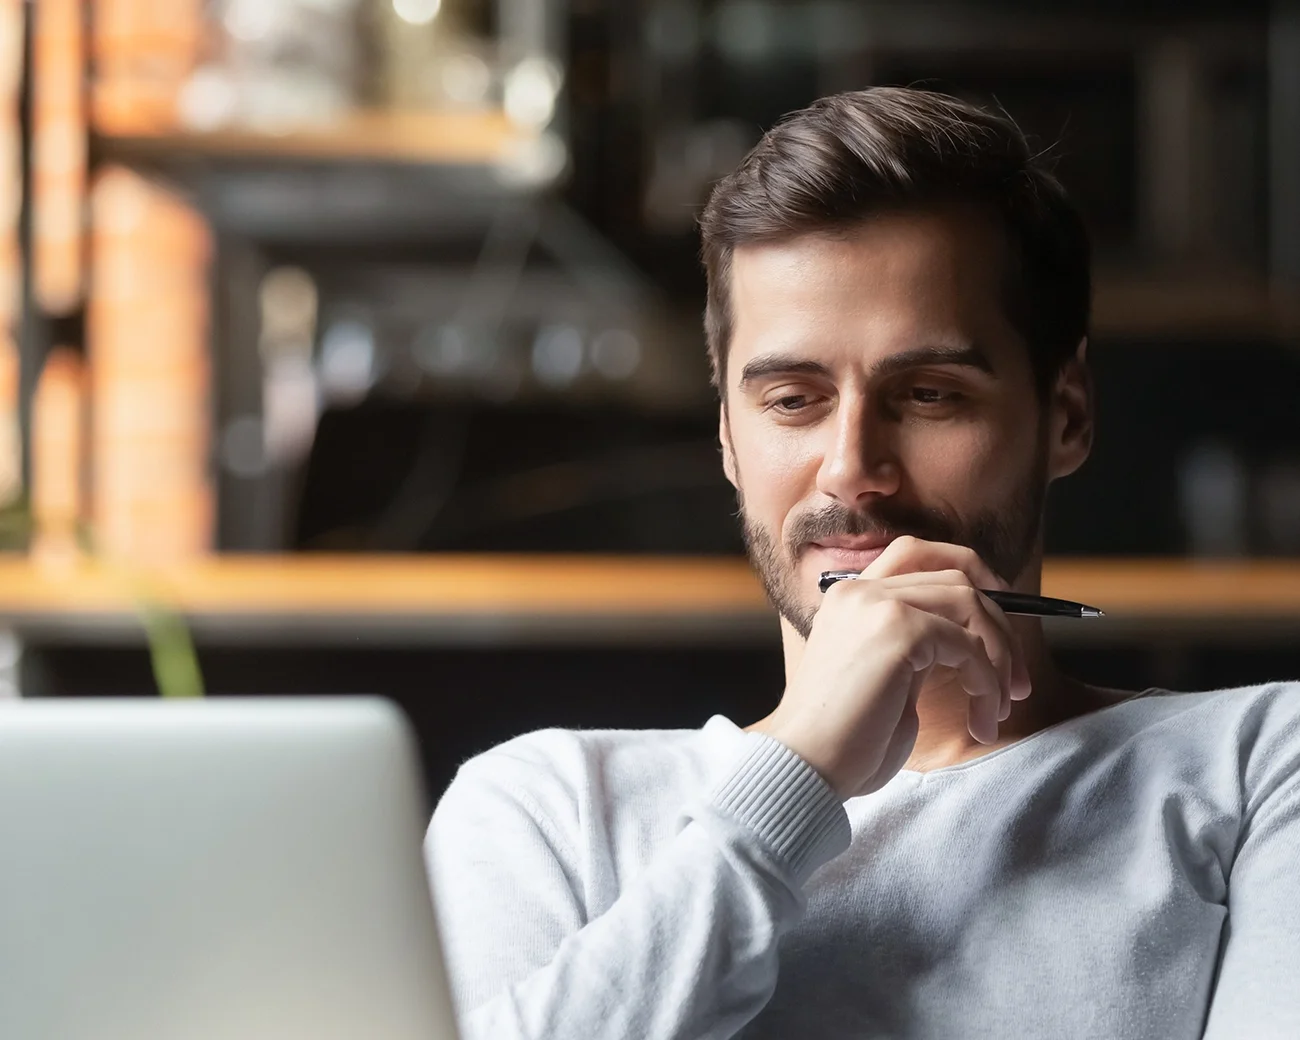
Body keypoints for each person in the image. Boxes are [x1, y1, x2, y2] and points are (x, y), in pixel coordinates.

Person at [425, 87, 1300, 1039]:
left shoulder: (1259, 763)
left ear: (1067, 415)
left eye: (928, 395)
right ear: (727, 434)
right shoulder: (549, 808)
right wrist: (797, 774)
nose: (852, 468)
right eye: (792, 401)